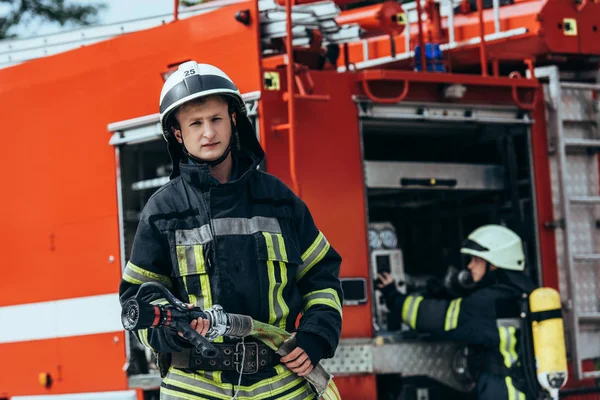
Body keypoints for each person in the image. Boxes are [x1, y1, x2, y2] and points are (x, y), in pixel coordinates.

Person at [119, 61, 343, 399]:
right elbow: (137, 301)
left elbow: (321, 278)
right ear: (178, 134)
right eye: (195, 123)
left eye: (216, 119)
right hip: (194, 386)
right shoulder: (163, 212)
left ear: (233, 119)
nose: (208, 133)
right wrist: (175, 332)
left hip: (281, 384)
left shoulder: (279, 201)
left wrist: (315, 336)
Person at [377, 224, 537, 400]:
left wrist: (392, 296)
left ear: (493, 264)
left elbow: (431, 317)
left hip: (503, 391)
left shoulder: (486, 303)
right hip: (523, 389)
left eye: (476, 259)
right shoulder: (528, 293)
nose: (469, 266)